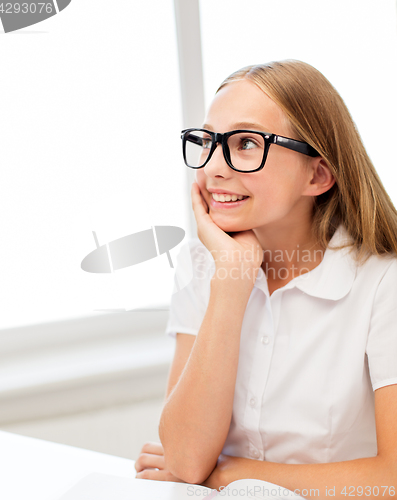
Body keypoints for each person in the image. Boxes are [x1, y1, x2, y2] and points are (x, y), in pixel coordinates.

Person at [134, 60, 397, 496]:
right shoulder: (201, 264)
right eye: (208, 141)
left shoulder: (384, 283)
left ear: (317, 174)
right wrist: (232, 284)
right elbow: (184, 459)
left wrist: (233, 473)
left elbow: (392, 480)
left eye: (245, 143)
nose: (213, 167)